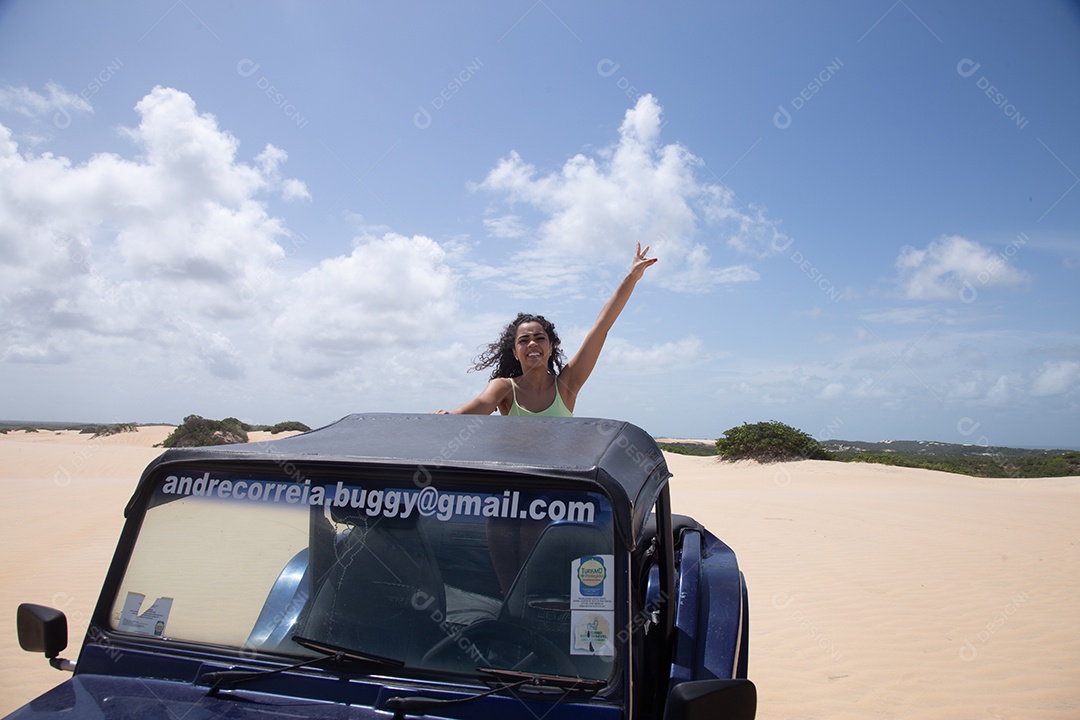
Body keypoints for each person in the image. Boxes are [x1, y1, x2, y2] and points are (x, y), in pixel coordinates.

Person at [437, 242, 658, 417]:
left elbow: (601, 328)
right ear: (515, 351)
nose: (532, 343)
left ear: (550, 347)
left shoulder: (567, 385)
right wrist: (449, 415)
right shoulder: (503, 388)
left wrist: (632, 278)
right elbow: (477, 408)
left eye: (539, 338)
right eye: (523, 340)